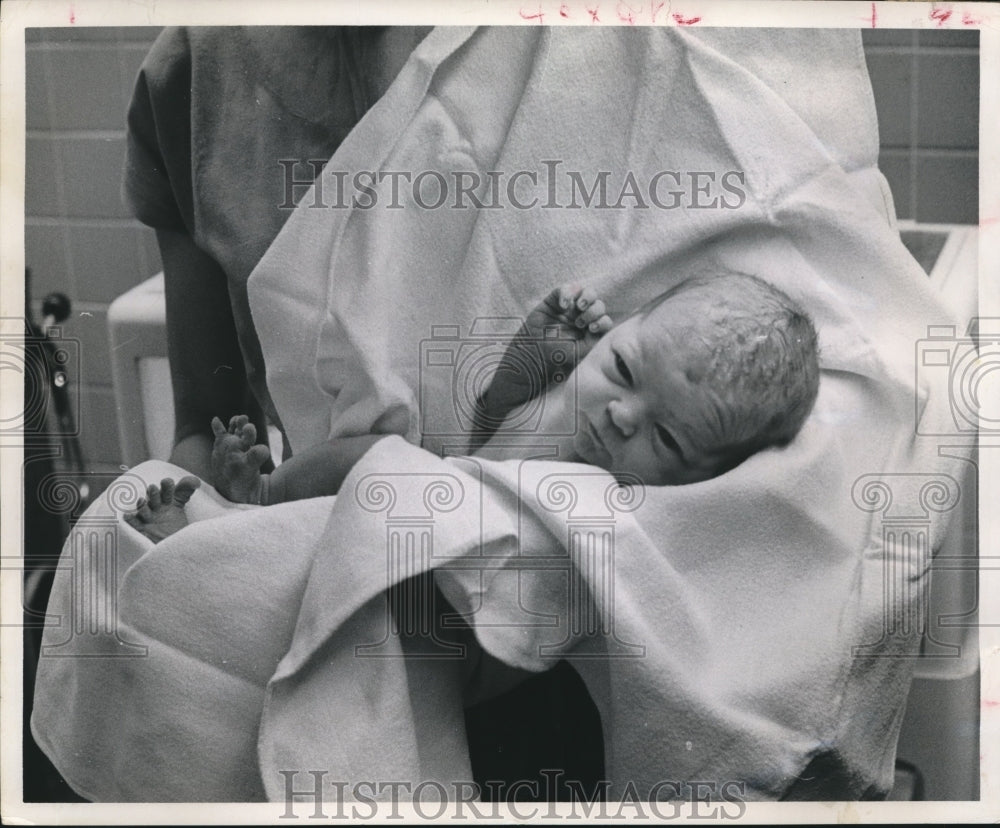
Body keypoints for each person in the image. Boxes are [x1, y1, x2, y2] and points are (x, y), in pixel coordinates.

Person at [125, 270, 820, 541]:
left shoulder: (630, 510)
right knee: (377, 460)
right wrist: (535, 356)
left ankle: (220, 545)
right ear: (622, 330)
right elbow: (495, 421)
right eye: (623, 367)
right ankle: (261, 498)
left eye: (666, 440)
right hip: (437, 488)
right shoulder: (566, 406)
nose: (621, 416)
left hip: (458, 563)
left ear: (704, 479)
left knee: (342, 535)